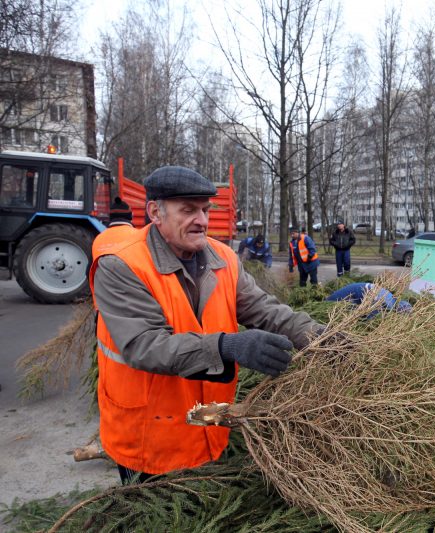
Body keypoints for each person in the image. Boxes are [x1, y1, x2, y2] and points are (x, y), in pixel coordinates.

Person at [89, 166, 321, 484]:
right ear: (155, 212)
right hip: (149, 436)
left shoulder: (222, 257)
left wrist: (316, 335)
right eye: (188, 210)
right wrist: (228, 346)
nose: (202, 220)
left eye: (205, 209)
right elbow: (145, 346)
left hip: (208, 425)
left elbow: (264, 309)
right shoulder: (122, 265)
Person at [91, 197, 136, 262]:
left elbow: (90, 269)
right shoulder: (138, 236)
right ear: (130, 216)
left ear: (110, 217)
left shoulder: (98, 239)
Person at [326, 282, 412, 316]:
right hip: (351, 294)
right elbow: (370, 319)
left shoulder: (391, 298)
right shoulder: (387, 304)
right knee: (330, 308)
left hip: (356, 290)